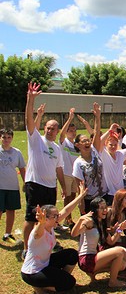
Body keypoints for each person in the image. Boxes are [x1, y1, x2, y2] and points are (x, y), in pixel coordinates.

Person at [23, 82, 67, 259]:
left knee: (49, 219)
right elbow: (29, 120)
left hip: (50, 187)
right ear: (44, 128)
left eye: (53, 128)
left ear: (57, 130)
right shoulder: (36, 140)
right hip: (35, 184)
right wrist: (30, 99)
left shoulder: (56, 148)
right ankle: (27, 248)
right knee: (31, 218)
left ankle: (47, 244)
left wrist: (63, 187)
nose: (49, 130)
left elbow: (59, 169)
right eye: (47, 127)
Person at [21, 183, 87, 294]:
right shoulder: (38, 231)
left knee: (72, 254)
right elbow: (38, 231)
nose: (58, 217)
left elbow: (66, 210)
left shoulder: (51, 224)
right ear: (45, 219)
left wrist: (80, 196)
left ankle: (60, 279)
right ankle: (40, 286)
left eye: (57, 215)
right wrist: (41, 223)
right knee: (70, 283)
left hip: (45, 264)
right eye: (55, 216)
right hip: (32, 273)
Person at [71, 197, 126, 287]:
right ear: (95, 210)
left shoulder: (101, 223)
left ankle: (94, 273)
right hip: (86, 259)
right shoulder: (90, 222)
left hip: (94, 256)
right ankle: (113, 282)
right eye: (101, 208)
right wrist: (81, 220)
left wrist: (119, 230)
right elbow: (74, 234)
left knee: (122, 264)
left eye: (105, 207)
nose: (105, 210)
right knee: (119, 252)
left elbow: (111, 241)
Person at [0, 128, 26, 243]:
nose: (6, 140)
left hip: (12, 187)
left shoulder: (17, 152)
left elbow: (22, 168)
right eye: (4, 137)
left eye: (9, 137)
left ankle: (7, 233)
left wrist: (25, 182)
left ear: (12, 138)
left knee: (11, 210)